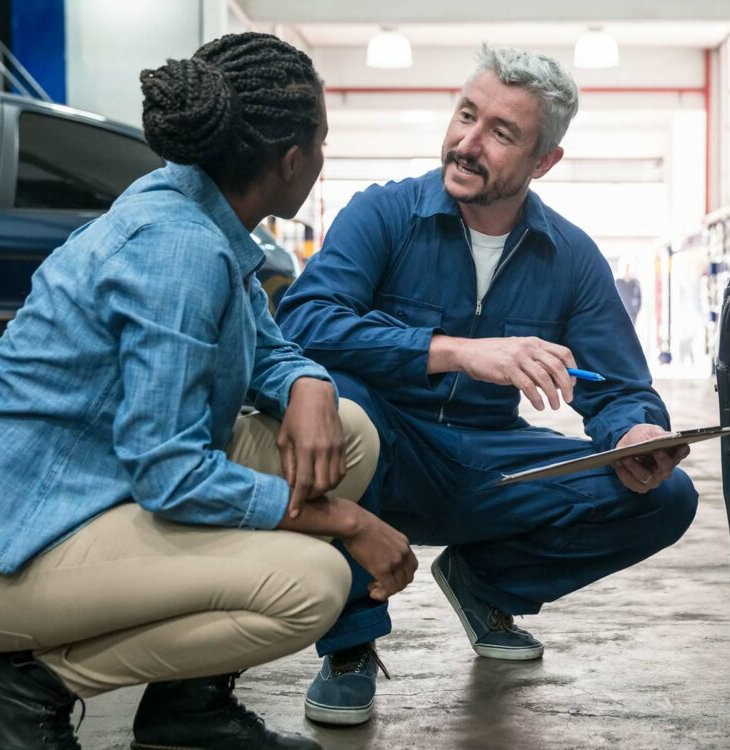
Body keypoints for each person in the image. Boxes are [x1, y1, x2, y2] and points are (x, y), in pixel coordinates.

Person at [0, 33, 416, 750]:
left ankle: (187, 712)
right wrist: (347, 523)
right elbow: (170, 474)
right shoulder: (178, 249)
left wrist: (308, 382)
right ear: (292, 161)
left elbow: (264, 343)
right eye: (321, 143)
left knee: (347, 431)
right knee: (311, 584)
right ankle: (21, 690)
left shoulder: (198, 213)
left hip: (90, 490)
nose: (322, 160)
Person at [276, 45, 699, 726]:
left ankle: (483, 582)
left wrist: (635, 433)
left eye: (501, 133)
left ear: (543, 163)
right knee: (342, 404)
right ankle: (351, 647)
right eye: (466, 115)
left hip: (490, 464)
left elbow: (620, 387)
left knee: (667, 497)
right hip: (389, 447)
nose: (467, 143)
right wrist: (459, 353)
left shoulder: (572, 258)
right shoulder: (383, 215)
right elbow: (304, 324)